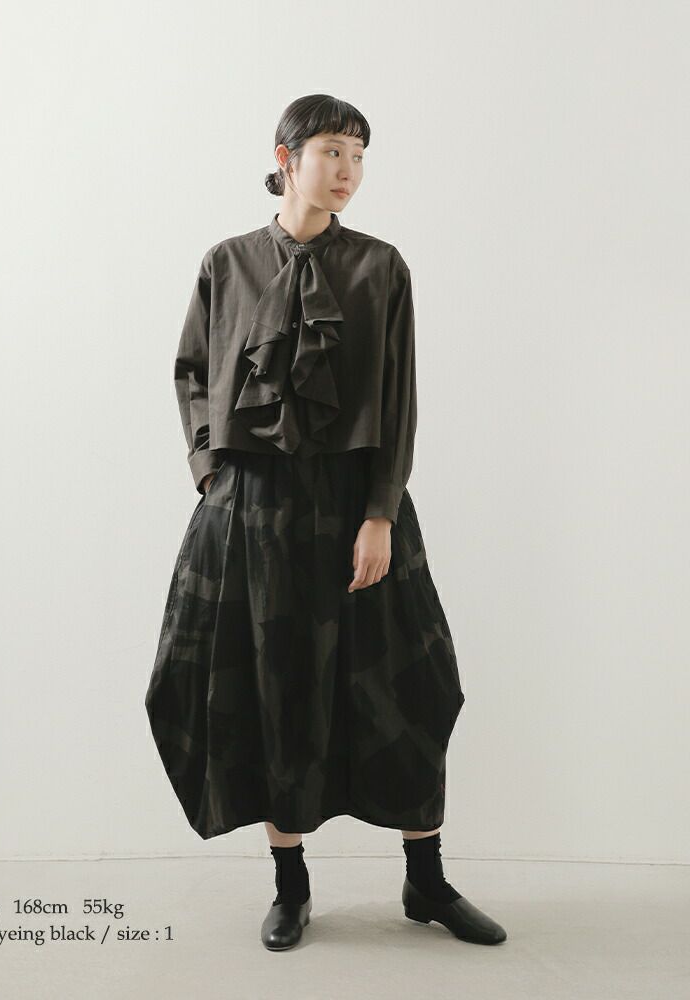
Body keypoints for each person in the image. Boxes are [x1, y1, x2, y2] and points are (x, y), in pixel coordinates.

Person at [145, 94, 507, 950]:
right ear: (287, 158)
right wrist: (211, 474)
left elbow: (398, 397)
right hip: (251, 508)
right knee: (272, 688)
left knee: (409, 687)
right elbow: (191, 370)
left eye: (359, 156)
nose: (348, 171)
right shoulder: (227, 262)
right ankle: (291, 887)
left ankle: (426, 881)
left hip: (355, 505)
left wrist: (380, 513)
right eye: (333, 152)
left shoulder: (381, 268)